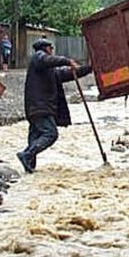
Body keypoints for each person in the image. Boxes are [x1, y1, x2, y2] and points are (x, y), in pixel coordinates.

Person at [17, 39, 92, 173]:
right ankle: (26, 155)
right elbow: (48, 60)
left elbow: (67, 74)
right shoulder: (38, 58)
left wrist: (88, 69)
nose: (52, 50)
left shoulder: (48, 70)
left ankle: (29, 168)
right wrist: (67, 60)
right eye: (50, 48)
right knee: (51, 134)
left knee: (35, 136)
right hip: (40, 107)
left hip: (35, 108)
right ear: (45, 48)